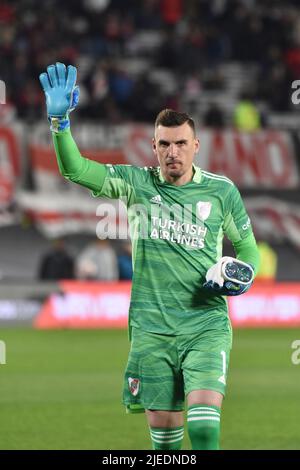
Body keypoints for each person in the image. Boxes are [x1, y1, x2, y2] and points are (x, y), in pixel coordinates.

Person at [39, 63, 260, 450]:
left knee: (205, 428)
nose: (172, 152)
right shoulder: (136, 184)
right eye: (164, 144)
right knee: (165, 444)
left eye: (180, 143)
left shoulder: (222, 192)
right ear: (153, 147)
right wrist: (60, 123)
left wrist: (245, 274)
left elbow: (246, 247)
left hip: (204, 325)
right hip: (151, 329)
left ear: (195, 146)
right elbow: (75, 170)